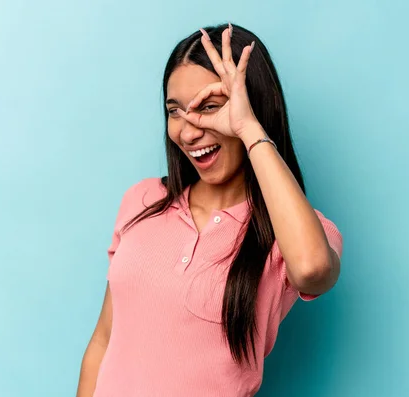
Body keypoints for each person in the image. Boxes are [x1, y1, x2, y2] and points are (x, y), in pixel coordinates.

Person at [77, 22, 344, 397]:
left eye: (210, 107)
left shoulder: (299, 234)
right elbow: (103, 341)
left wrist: (248, 128)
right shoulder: (143, 201)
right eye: (175, 111)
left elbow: (314, 269)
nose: (189, 131)